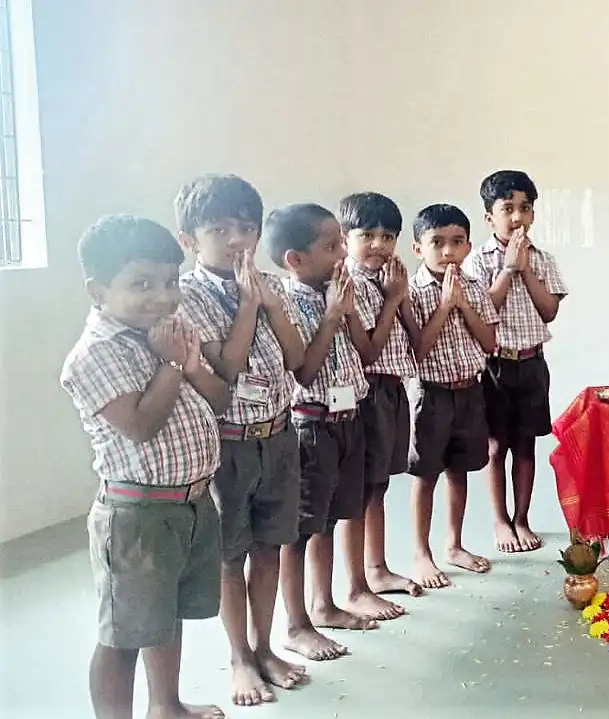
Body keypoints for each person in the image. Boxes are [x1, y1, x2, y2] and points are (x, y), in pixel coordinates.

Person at [61, 214, 230, 719]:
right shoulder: (93, 355)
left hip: (192, 503)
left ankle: (167, 706)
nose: (162, 296)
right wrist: (173, 364)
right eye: (141, 284)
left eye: (170, 282)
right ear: (98, 289)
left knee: (168, 616)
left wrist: (189, 361)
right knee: (124, 634)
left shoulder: (168, 334)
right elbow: (140, 425)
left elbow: (218, 400)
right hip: (137, 517)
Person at [174, 175, 308, 706]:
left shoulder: (268, 283)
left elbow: (298, 361)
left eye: (247, 228)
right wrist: (251, 306)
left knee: (271, 544)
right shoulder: (188, 294)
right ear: (190, 240)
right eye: (219, 229)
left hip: (278, 432)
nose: (237, 240)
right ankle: (239, 658)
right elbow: (224, 370)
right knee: (231, 554)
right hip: (229, 443)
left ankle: (265, 645)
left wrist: (269, 303)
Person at [264, 203, 375, 662]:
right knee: (300, 529)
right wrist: (333, 316)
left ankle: (324, 604)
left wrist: (344, 311)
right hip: (312, 424)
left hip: (349, 419)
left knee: (328, 520)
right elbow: (304, 372)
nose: (342, 256)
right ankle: (295, 625)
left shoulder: (338, 291)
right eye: (331, 247)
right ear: (295, 259)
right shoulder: (287, 303)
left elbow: (363, 353)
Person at [463, 170, 568, 553]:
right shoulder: (478, 261)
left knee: (526, 445)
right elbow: (483, 308)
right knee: (496, 446)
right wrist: (508, 268)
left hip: (532, 363)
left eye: (525, 208)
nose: (517, 217)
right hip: (494, 365)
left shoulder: (542, 259)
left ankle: (522, 518)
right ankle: (499, 521)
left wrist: (525, 269)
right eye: (507, 209)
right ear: (490, 217)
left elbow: (549, 310)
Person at [337, 192, 423, 614]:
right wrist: (392, 299)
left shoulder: (387, 279)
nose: (378, 244)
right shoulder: (348, 283)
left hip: (391, 390)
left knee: (379, 485)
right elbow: (368, 349)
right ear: (344, 237)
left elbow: (415, 339)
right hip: (365, 392)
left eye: (388, 236)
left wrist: (398, 294)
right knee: (359, 490)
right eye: (367, 234)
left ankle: (377, 568)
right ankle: (355, 586)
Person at [407, 204, 500, 587]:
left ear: (468, 245)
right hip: (432, 394)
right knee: (426, 474)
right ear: (418, 249)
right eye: (437, 243)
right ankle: (421, 554)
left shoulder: (474, 287)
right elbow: (418, 349)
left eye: (457, 242)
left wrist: (462, 303)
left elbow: (490, 341)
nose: (447, 252)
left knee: (459, 469)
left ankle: (454, 545)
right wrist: (446, 307)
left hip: (470, 390)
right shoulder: (411, 293)